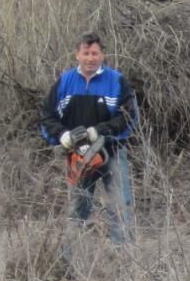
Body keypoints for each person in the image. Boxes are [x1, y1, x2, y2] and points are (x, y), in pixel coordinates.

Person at [39, 32, 138, 243]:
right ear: (77, 55)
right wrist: (62, 135)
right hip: (78, 156)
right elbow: (47, 115)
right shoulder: (65, 82)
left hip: (111, 151)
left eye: (95, 53)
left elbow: (128, 118)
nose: (90, 58)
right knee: (77, 208)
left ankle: (125, 258)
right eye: (86, 53)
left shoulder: (117, 81)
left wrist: (100, 131)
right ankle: (71, 260)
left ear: (102, 55)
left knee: (120, 205)